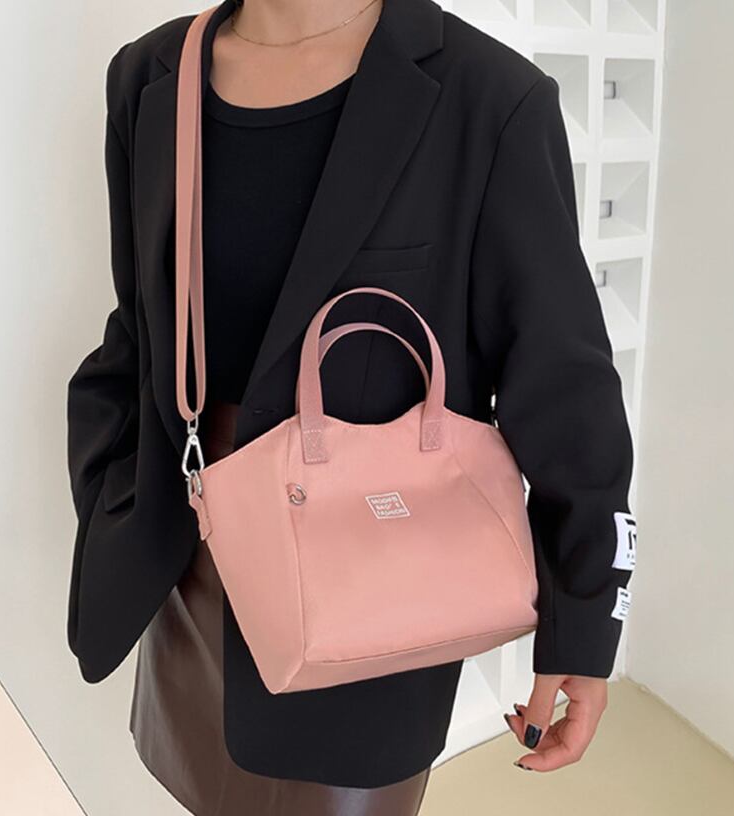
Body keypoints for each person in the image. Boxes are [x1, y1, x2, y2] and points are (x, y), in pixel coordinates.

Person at [65, 0, 636, 813]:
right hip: (189, 564)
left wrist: (584, 614)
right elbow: (141, 326)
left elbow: (562, 380)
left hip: (371, 594)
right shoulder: (150, 76)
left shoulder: (489, 98)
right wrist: (108, 492)